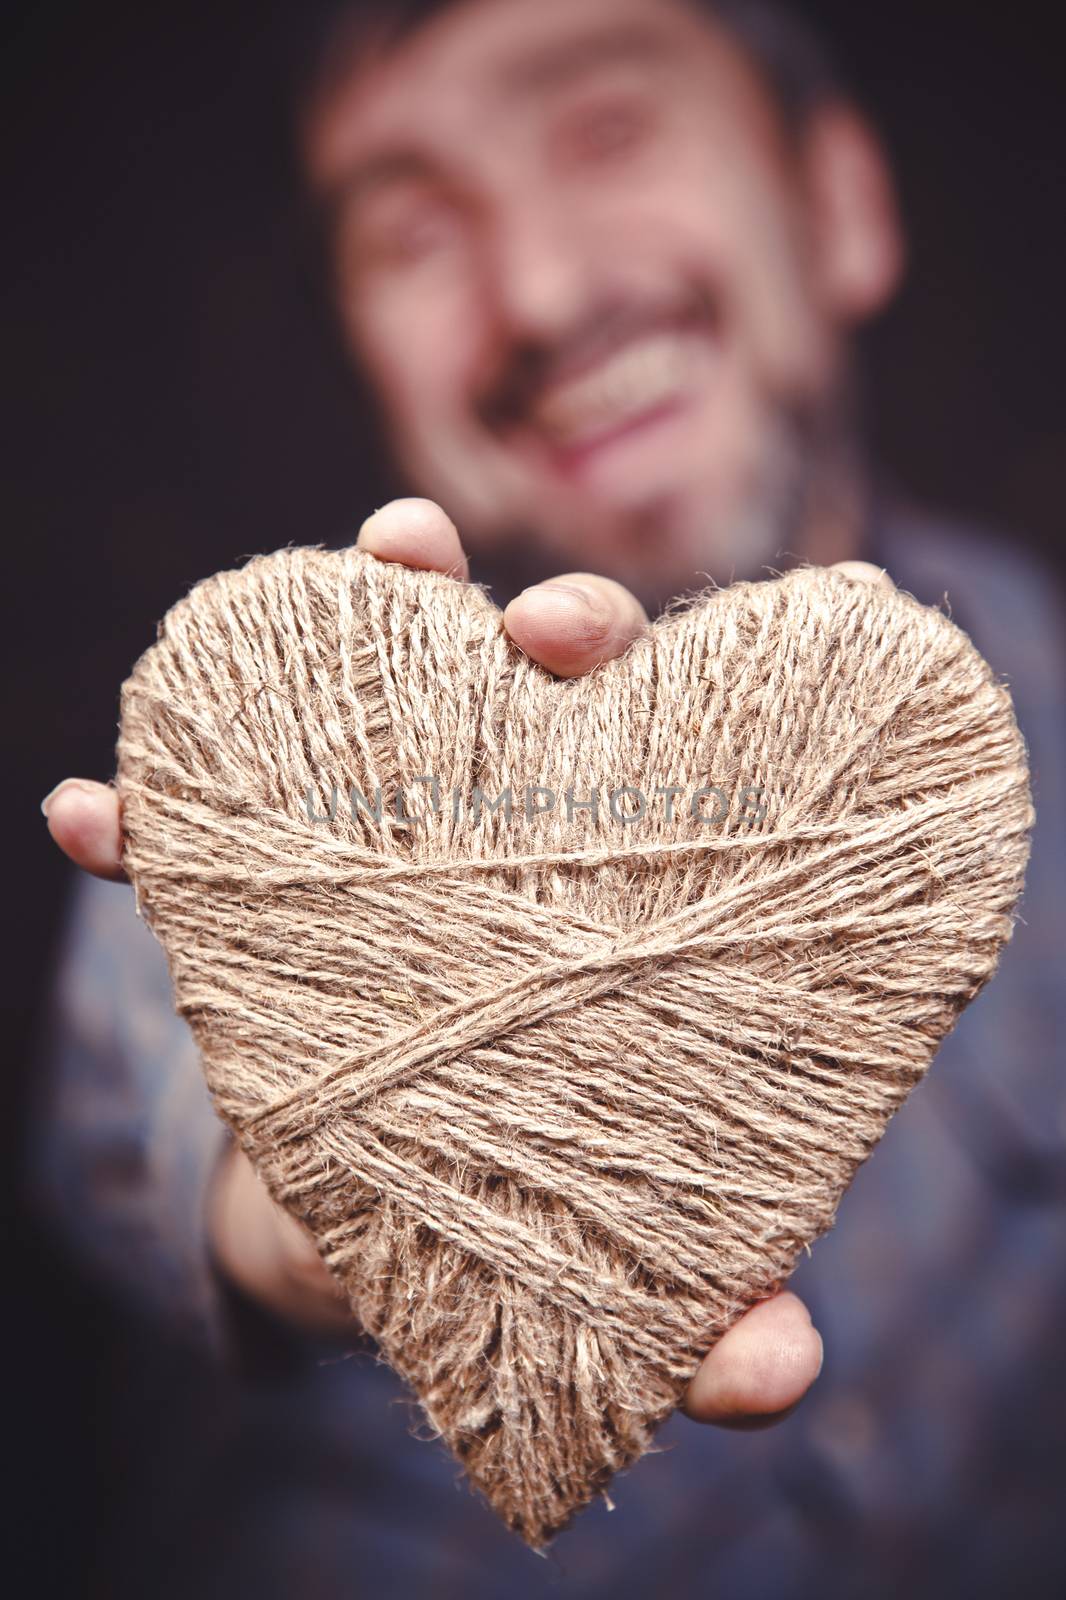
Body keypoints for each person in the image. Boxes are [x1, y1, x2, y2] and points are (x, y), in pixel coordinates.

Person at [31, 1, 1066, 1595]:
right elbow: (170, 1111)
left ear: (838, 204)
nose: (541, 290)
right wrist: (326, 1201)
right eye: (413, 231)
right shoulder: (281, 790)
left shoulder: (1032, 705)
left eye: (607, 131)